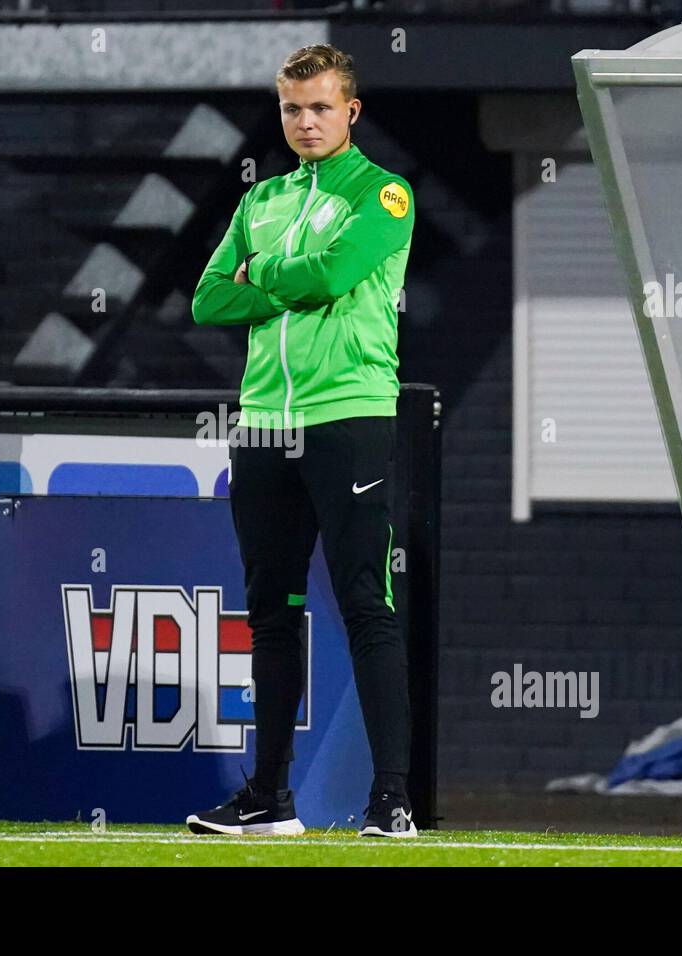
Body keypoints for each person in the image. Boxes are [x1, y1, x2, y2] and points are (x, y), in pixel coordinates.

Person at [187, 43, 416, 838]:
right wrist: (271, 276)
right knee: (272, 613)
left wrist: (261, 278)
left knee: (364, 605)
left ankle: (392, 801)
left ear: (350, 111)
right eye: (292, 108)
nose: (306, 121)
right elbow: (207, 302)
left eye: (321, 107)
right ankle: (268, 801)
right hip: (263, 424)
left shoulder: (385, 196)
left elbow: (325, 278)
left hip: (348, 417)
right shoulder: (263, 200)